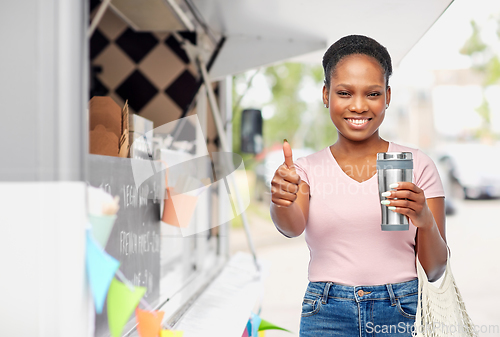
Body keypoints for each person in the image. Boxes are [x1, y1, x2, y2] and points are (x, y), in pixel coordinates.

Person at [269, 35, 448, 336]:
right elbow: (291, 227)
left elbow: (435, 270)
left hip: (400, 310)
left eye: (373, 94)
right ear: (326, 95)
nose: (359, 106)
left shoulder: (418, 166)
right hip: (326, 312)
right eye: (344, 93)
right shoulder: (305, 170)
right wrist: (281, 200)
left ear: (388, 97)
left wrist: (426, 222)